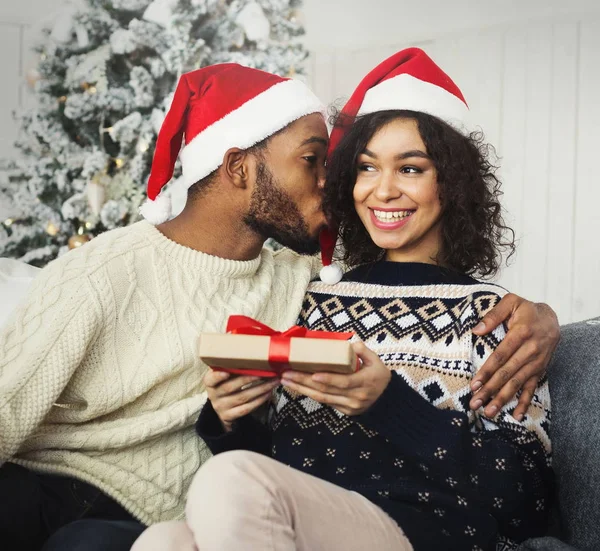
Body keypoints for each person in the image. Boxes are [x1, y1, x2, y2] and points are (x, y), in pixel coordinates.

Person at [1, 61, 555, 551]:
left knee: (226, 484)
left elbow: (526, 499)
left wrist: (389, 401)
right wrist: (228, 417)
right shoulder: (311, 295)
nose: (382, 190)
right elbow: (277, 459)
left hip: (419, 531)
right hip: (283, 519)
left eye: (410, 168)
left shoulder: (492, 317)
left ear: (451, 184)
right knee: (163, 541)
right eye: (364, 167)